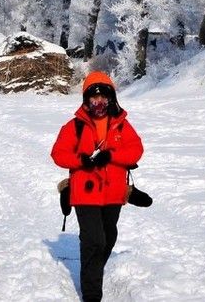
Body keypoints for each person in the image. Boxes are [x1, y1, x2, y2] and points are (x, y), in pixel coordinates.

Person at [51, 72, 143, 302]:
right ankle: (92, 294)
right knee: (94, 240)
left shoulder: (121, 124)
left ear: (111, 98)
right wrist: (80, 160)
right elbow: (58, 153)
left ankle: (92, 271)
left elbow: (136, 150)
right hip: (85, 193)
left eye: (103, 98)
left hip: (113, 193)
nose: (99, 103)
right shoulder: (75, 126)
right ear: (86, 100)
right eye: (94, 99)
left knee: (109, 235)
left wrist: (111, 155)